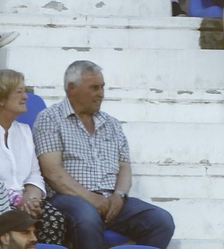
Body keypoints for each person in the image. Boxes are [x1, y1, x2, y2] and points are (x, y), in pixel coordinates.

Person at [34, 60, 175, 249]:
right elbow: (52, 172)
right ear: (72, 88)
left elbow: (124, 166)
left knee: (161, 220)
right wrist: (90, 198)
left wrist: (119, 196)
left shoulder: (111, 123)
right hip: (68, 199)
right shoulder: (50, 118)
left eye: (102, 87)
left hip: (110, 199)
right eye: (94, 88)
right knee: (87, 218)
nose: (101, 93)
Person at [0, 70, 65, 245]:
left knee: (55, 220)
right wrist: (18, 201)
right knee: (17, 224)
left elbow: (34, 174)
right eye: (19, 92)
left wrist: (31, 199)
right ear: (0, 98)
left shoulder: (24, 131)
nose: (25, 97)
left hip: (24, 202)